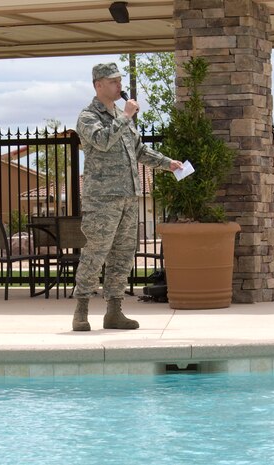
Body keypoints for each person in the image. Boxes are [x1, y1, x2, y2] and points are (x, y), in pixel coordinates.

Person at [72, 62, 182, 331]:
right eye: (112, 82)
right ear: (98, 85)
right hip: (102, 199)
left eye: (119, 81)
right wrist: (125, 118)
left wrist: (168, 163)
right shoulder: (88, 116)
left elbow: (139, 151)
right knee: (96, 253)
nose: (118, 86)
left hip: (129, 197)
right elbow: (101, 141)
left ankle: (114, 312)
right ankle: (81, 310)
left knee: (123, 255)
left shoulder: (123, 116)